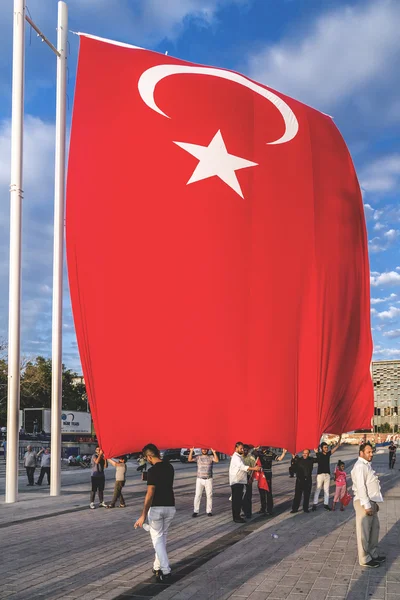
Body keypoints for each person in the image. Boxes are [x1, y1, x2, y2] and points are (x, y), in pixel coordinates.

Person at [134, 443, 176, 583]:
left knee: (157, 540)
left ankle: (165, 570)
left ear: (149, 456)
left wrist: (143, 515)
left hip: (157, 508)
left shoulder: (152, 471)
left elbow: (150, 493)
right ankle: (157, 566)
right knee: (162, 538)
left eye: (146, 458)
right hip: (170, 506)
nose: (147, 460)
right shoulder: (170, 467)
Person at [351, 442, 385, 568]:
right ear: (361, 453)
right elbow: (361, 487)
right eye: (368, 452)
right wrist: (367, 505)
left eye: (372, 452)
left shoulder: (367, 465)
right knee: (364, 532)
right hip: (363, 502)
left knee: (374, 529)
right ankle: (364, 558)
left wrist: (374, 503)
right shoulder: (360, 466)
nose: (371, 454)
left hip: (371, 502)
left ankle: (373, 553)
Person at [229, 441, 260, 523]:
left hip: (240, 481)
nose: (242, 450)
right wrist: (254, 469)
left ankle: (237, 516)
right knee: (236, 501)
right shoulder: (236, 457)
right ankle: (236, 517)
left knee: (238, 500)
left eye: (243, 448)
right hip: (236, 482)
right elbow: (242, 467)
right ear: (236, 448)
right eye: (241, 448)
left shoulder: (239, 457)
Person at [312, 436, 342, 511]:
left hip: (327, 475)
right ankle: (315, 504)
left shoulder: (328, 454)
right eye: (325, 447)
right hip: (320, 475)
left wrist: (339, 441)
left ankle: (326, 504)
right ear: (321, 448)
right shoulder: (319, 454)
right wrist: (316, 450)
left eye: (327, 447)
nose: (326, 448)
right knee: (318, 489)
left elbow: (335, 448)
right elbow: (315, 450)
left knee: (326, 490)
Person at [255, 446, 287, 515]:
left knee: (268, 492)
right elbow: (251, 455)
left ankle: (270, 509)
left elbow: (279, 459)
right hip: (261, 474)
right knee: (261, 492)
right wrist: (255, 449)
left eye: (266, 447)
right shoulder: (258, 453)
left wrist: (283, 453)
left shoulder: (270, 453)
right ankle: (263, 508)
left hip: (267, 474)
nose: (264, 448)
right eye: (263, 446)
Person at [188, 447, 219, 517]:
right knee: (197, 495)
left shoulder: (210, 457)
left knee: (209, 495)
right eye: (203, 449)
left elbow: (217, 460)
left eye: (205, 449)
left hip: (208, 479)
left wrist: (214, 452)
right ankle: (195, 511)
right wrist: (191, 451)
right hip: (199, 479)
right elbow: (189, 459)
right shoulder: (198, 457)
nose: (204, 450)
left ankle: (209, 511)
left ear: (207, 450)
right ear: (201, 450)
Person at [290, 449, 316, 513]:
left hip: (308, 480)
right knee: (297, 495)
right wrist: (293, 458)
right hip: (299, 480)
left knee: (307, 495)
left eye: (306, 453)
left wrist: (317, 452)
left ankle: (305, 508)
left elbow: (319, 459)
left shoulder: (311, 460)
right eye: (303, 453)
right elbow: (293, 468)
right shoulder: (298, 460)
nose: (304, 454)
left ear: (309, 454)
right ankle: (295, 509)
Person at [242, 445, 256, 518]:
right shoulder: (239, 457)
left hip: (248, 478)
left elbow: (254, 468)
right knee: (241, 496)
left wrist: (252, 478)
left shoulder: (251, 458)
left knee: (248, 496)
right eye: (244, 450)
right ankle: (244, 511)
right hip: (240, 478)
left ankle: (248, 513)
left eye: (246, 450)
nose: (245, 451)